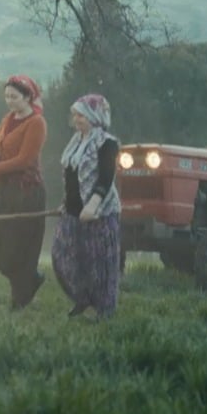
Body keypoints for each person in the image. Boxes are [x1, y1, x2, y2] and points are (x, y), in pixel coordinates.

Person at [0, 75, 49, 309]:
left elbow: (23, 161)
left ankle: (21, 298)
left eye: (14, 97)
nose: (9, 101)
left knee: (17, 249)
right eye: (6, 96)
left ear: (27, 97)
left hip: (25, 193)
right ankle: (30, 280)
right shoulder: (9, 119)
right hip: (1, 191)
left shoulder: (37, 124)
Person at [51, 93, 122, 321]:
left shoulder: (107, 143)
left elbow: (106, 178)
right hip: (72, 211)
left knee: (99, 264)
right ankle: (82, 299)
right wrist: (66, 202)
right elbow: (72, 177)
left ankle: (104, 310)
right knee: (62, 255)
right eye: (75, 115)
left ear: (94, 115)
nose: (77, 119)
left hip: (99, 213)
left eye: (81, 115)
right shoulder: (76, 142)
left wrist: (93, 205)